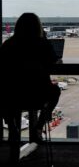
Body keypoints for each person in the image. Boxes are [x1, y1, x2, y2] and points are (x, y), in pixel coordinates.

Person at [0, 12, 61, 144]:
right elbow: (53, 62)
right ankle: (39, 127)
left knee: (3, 91)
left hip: (13, 96)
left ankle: (11, 126)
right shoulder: (42, 44)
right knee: (56, 91)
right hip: (38, 96)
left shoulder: (8, 44)